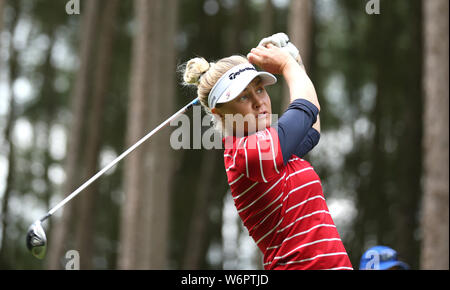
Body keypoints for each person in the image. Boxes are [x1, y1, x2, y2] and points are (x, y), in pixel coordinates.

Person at [182, 33, 353, 270]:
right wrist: (286, 65)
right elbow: (307, 108)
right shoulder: (246, 154)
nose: (258, 102)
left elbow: (311, 126)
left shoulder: (271, 148)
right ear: (219, 114)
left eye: (260, 90)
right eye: (244, 96)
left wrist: (296, 62)